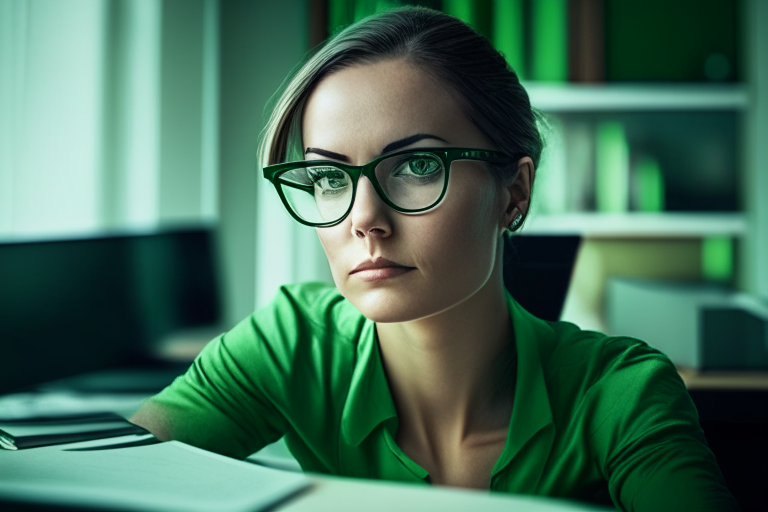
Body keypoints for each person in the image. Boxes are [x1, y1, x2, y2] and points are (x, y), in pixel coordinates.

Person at [130, 6, 740, 511]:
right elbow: (109, 476)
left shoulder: (621, 393)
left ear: (514, 193)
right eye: (327, 177)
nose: (363, 219)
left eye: (419, 166)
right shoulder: (291, 342)